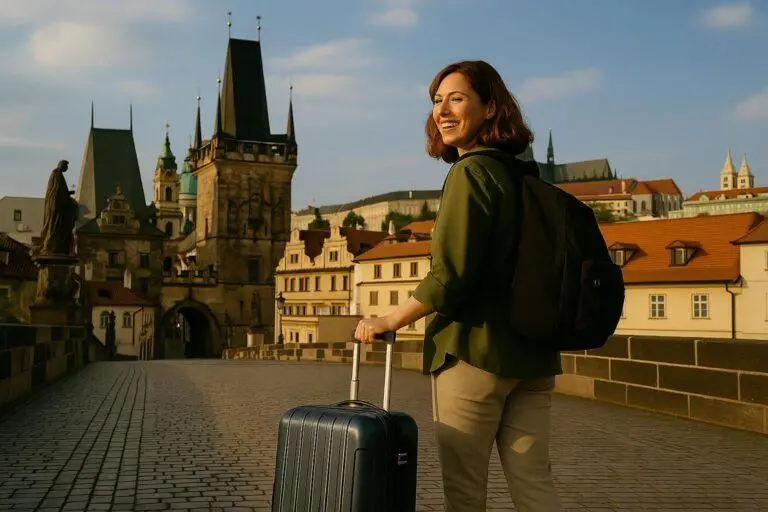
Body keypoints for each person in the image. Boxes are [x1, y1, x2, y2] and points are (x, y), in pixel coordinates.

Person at [354, 60, 563, 512]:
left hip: (475, 354)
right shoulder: (524, 175)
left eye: (457, 98)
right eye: (436, 101)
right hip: (532, 356)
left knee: (466, 494)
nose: (442, 111)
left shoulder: (471, 173)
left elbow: (449, 275)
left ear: (490, 108)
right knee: (535, 488)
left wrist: (389, 318)